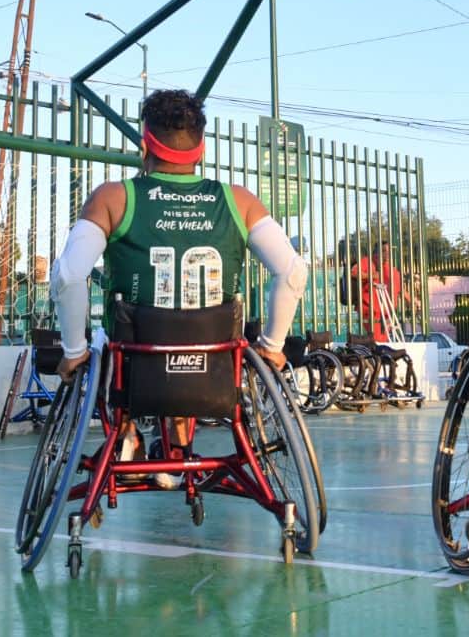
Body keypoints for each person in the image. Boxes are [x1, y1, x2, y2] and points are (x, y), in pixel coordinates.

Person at [51, 89, 308, 485]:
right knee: (194, 331)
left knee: (105, 345)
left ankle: (126, 435)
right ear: (201, 148)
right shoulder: (238, 201)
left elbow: (68, 276)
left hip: (134, 369)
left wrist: (72, 352)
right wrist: (273, 348)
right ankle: (180, 449)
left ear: (144, 145)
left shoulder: (113, 197)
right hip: (214, 369)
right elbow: (293, 272)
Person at [357, 240, 404, 343]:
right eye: (383, 251)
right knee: (377, 341)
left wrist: (413, 302)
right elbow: (354, 273)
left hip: (387, 312)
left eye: (388, 251)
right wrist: (372, 276)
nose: (386, 254)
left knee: (384, 341)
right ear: (375, 252)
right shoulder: (367, 262)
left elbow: (401, 290)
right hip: (371, 311)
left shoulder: (392, 270)